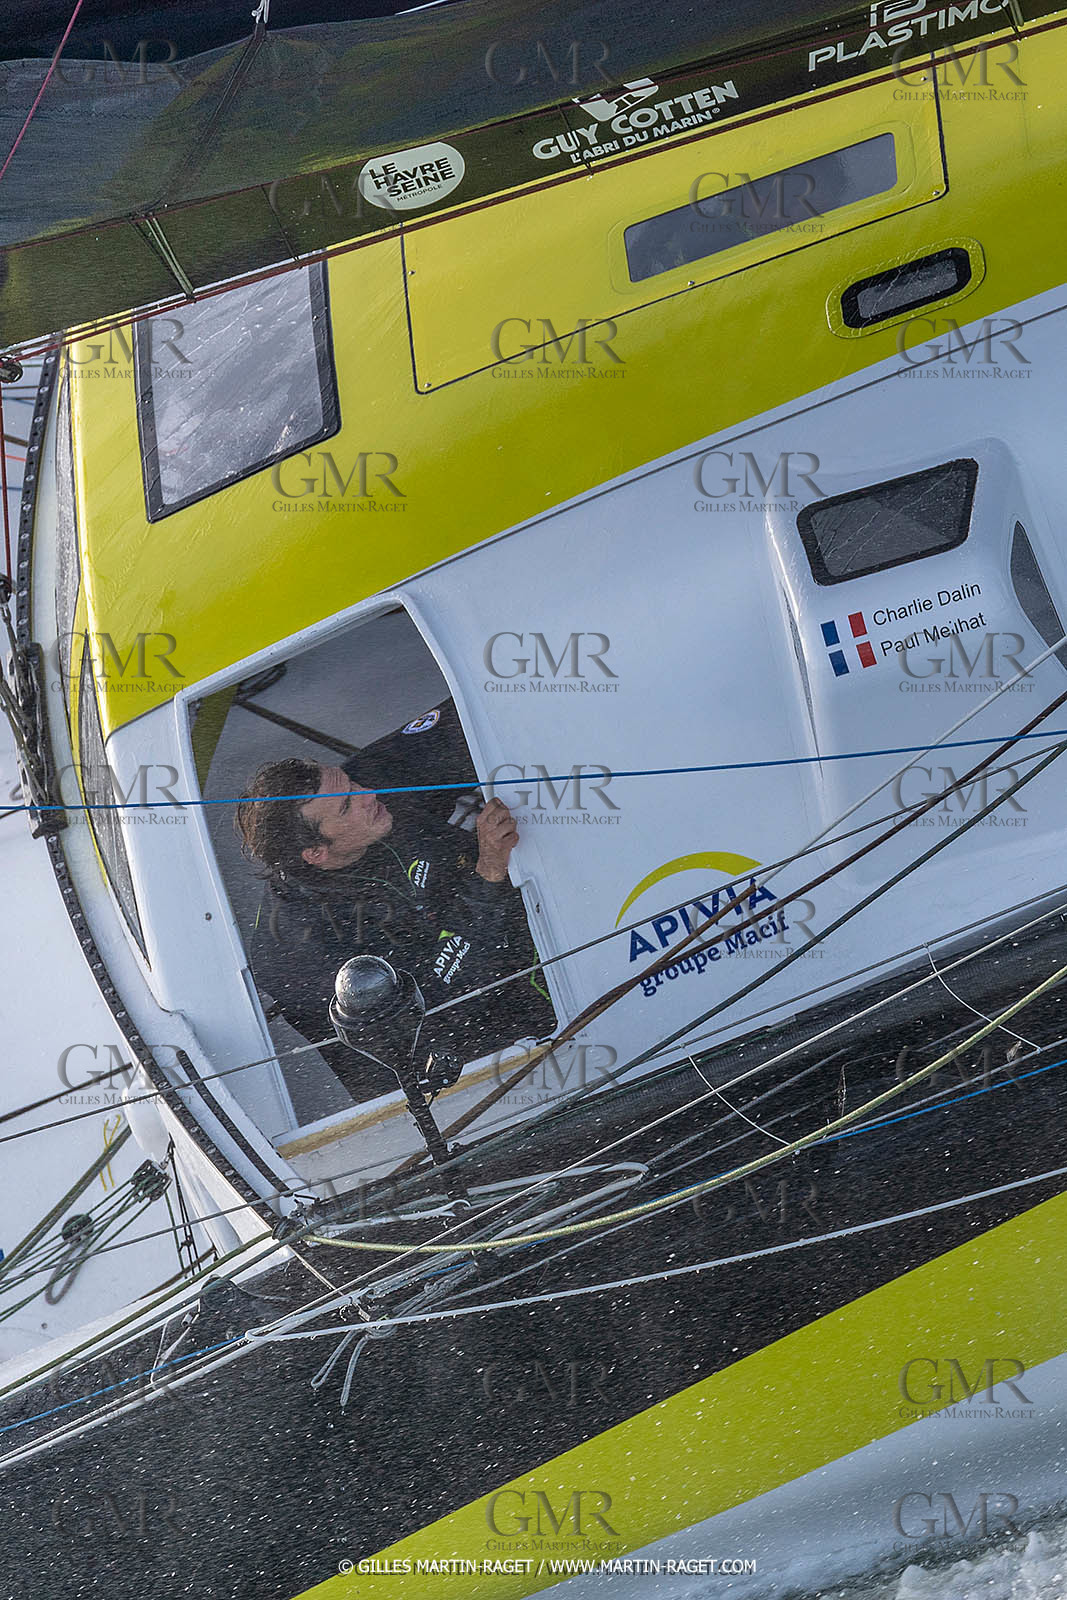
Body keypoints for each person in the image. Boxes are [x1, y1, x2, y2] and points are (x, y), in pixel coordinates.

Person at [235, 728, 555, 1098]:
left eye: (351, 783)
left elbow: (461, 726)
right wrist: (487, 874)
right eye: (346, 805)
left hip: (525, 938)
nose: (368, 794)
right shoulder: (300, 946)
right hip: (468, 1071)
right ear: (316, 852)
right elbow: (436, 1011)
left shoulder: (365, 795)